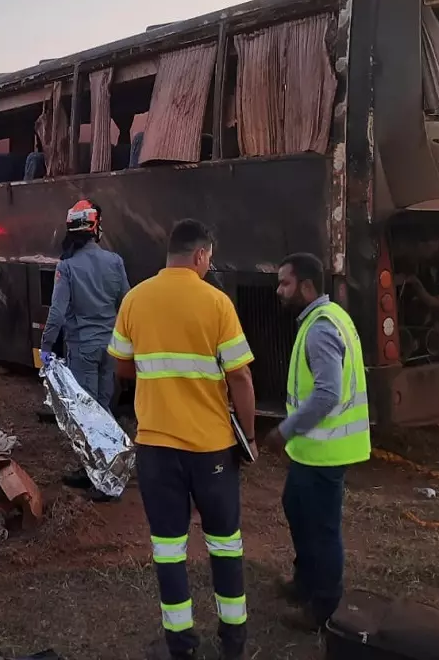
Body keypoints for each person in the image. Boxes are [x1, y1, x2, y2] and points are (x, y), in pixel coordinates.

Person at [107, 219, 256, 660]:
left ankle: (181, 644)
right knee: (225, 543)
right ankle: (234, 641)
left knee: (169, 550)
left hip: (156, 448)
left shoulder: (135, 299)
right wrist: (247, 435)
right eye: (209, 259)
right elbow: (241, 375)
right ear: (200, 256)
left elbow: (121, 367)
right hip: (211, 448)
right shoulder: (216, 302)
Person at [263, 252, 371, 631]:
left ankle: (324, 607)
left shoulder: (322, 328)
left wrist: (283, 431)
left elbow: (326, 394)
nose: (279, 290)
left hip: (325, 451)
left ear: (307, 286)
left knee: (322, 528)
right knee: (296, 506)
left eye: (285, 283)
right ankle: (304, 583)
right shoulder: (325, 319)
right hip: (312, 450)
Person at [39, 200, 131, 490]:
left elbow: (56, 312)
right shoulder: (115, 261)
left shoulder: (67, 267)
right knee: (103, 409)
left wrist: (46, 345)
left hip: (83, 349)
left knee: (87, 416)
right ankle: (98, 471)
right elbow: (126, 303)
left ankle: (101, 479)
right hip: (112, 349)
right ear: (95, 228)